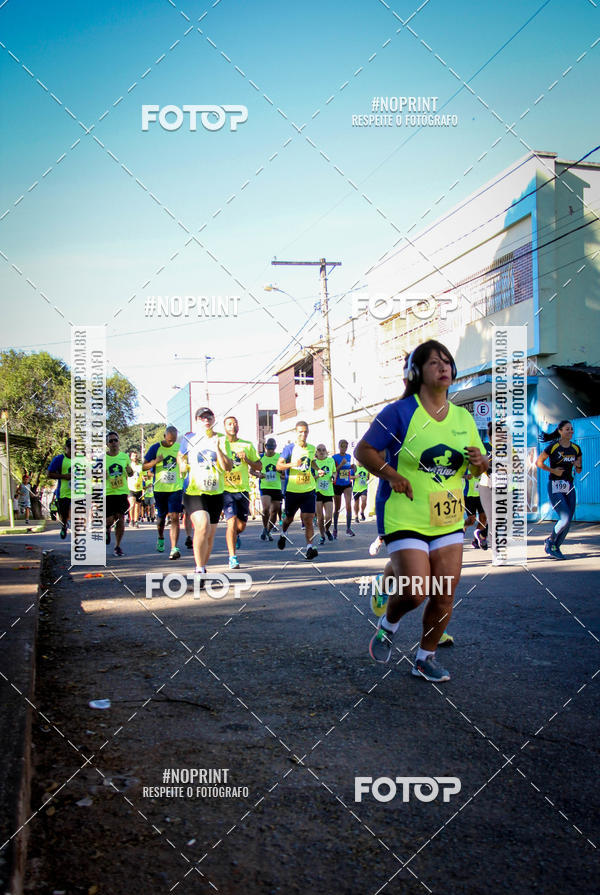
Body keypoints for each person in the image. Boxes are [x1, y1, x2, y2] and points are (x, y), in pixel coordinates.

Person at [355, 340, 487, 681]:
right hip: (406, 514)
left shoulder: (463, 418)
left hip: (447, 518)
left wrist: (481, 463)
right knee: (414, 591)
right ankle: (388, 624)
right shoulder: (399, 413)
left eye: (447, 362)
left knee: (444, 594)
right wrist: (391, 474)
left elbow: (472, 470)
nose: (443, 367)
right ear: (416, 373)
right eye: (433, 363)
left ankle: (424, 658)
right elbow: (365, 450)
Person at [178, 407, 233, 580]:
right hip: (195, 491)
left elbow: (228, 467)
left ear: (213, 419)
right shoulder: (189, 439)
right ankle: (199, 569)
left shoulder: (222, 439)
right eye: (202, 418)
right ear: (196, 421)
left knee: (209, 535)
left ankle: (201, 566)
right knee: (202, 525)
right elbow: (180, 456)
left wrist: (218, 449)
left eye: (209, 417)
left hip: (215, 493)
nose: (206, 420)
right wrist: (181, 465)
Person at [536, 420, 582, 559]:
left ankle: (555, 546)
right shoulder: (553, 447)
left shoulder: (576, 448)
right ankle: (550, 541)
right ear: (560, 431)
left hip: (569, 486)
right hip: (555, 485)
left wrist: (578, 465)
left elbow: (579, 471)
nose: (570, 431)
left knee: (568, 521)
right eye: (567, 429)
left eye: (571, 429)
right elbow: (538, 462)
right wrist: (553, 471)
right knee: (565, 517)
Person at [276, 420, 320, 560]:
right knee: (289, 518)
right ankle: (283, 533)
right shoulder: (289, 448)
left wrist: (317, 469)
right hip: (292, 490)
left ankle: (309, 548)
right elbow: (278, 466)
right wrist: (292, 464)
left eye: (305, 432)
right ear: (296, 432)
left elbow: (310, 461)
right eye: (300, 432)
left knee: (308, 519)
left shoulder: (312, 448)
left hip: (308, 489)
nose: (303, 434)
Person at [222, 416, 262, 569]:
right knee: (230, 522)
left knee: (241, 526)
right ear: (224, 427)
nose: (233, 426)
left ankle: (236, 535)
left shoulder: (247, 445)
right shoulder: (220, 444)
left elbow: (259, 466)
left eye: (235, 423)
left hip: (242, 490)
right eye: (229, 424)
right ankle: (232, 557)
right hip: (225, 490)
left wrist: (247, 461)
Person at [143, 426, 184, 559]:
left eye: (174, 440)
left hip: (175, 488)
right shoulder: (155, 448)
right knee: (161, 518)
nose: (171, 443)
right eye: (169, 440)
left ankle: (174, 548)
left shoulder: (179, 448)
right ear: (165, 436)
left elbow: (185, 463)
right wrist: (156, 461)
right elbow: (144, 466)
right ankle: (160, 537)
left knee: (174, 517)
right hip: (160, 489)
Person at [105, 432, 133, 556]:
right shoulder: (102, 458)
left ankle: (117, 546)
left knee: (120, 519)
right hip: (108, 492)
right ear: (107, 444)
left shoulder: (124, 457)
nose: (113, 443)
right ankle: (107, 528)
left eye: (115, 440)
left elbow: (131, 473)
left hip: (121, 492)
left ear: (119, 442)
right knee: (109, 519)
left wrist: (130, 471)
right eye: (110, 441)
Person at [259, 438, 283, 541]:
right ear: (265, 447)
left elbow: (283, 474)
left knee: (275, 511)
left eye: (272, 449)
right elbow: (252, 470)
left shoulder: (279, 458)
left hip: (276, 487)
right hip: (265, 487)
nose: (270, 451)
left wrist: (281, 472)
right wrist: (258, 474)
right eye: (268, 448)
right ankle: (265, 527)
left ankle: (268, 531)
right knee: (266, 508)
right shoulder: (260, 457)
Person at [47, 438, 73, 538]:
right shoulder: (59, 459)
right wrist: (64, 476)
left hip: (78, 492)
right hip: (63, 492)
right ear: (65, 448)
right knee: (64, 515)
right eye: (70, 447)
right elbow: (49, 474)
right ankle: (64, 526)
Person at [332, 439, 355, 538]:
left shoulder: (349, 456)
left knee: (348, 505)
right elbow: (333, 471)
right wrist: (341, 464)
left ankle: (348, 529)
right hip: (337, 484)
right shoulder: (334, 457)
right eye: (342, 446)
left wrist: (353, 467)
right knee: (337, 508)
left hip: (347, 483)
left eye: (345, 446)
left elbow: (349, 468)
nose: (344, 448)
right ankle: (335, 529)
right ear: (339, 446)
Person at [314, 444, 336, 545]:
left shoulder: (330, 461)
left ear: (326, 451)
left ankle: (327, 530)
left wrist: (333, 477)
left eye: (323, 450)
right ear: (316, 452)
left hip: (328, 491)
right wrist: (317, 475)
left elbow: (334, 472)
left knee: (329, 517)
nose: (321, 452)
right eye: (319, 450)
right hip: (317, 491)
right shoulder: (313, 462)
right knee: (320, 517)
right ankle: (322, 536)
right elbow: (310, 478)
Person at [463, 471, 487, 549]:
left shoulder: (484, 462)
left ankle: (476, 540)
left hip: (482, 494)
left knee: (483, 519)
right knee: (471, 520)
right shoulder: (467, 462)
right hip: (469, 495)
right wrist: (466, 476)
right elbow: (458, 474)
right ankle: (460, 531)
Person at [127, 451, 143, 528]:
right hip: (130, 488)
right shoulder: (129, 466)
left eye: (136, 456)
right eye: (133, 456)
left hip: (139, 488)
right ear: (130, 457)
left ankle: (136, 521)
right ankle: (131, 520)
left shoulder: (140, 466)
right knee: (132, 504)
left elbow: (144, 475)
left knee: (137, 506)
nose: (135, 457)